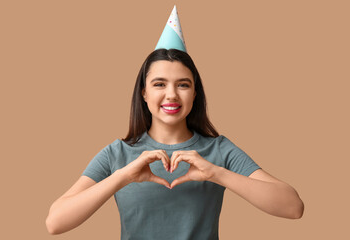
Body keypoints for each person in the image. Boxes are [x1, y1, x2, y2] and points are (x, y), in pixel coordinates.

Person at [46, 6, 304, 239]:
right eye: (159, 84)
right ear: (144, 94)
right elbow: (55, 222)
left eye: (183, 84)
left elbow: (293, 207)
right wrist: (123, 176)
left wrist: (216, 173)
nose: (171, 94)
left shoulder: (219, 151)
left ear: (194, 94)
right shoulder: (118, 154)